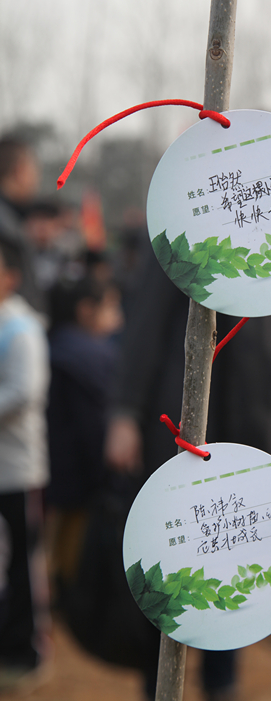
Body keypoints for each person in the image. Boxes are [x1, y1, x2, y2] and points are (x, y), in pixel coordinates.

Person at [105, 241, 271, 701]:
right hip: (182, 422)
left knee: (235, 554)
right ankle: (157, 681)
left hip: (249, 425)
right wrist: (126, 411)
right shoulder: (182, 237)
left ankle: (221, 681)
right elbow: (146, 326)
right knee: (168, 552)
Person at [46, 276, 123, 600]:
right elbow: (94, 429)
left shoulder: (52, 345)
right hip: (80, 480)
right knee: (70, 558)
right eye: (111, 307)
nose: (119, 317)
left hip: (48, 474)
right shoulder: (96, 357)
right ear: (86, 310)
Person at [0, 237, 50, 689]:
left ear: (11, 276)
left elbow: (23, 392)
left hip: (19, 468)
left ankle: (28, 652)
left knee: (24, 563)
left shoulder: (21, 328)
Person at [0, 137, 43, 313]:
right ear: (20, 171)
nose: (36, 180)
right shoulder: (7, 229)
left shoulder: (11, 220)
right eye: (35, 171)